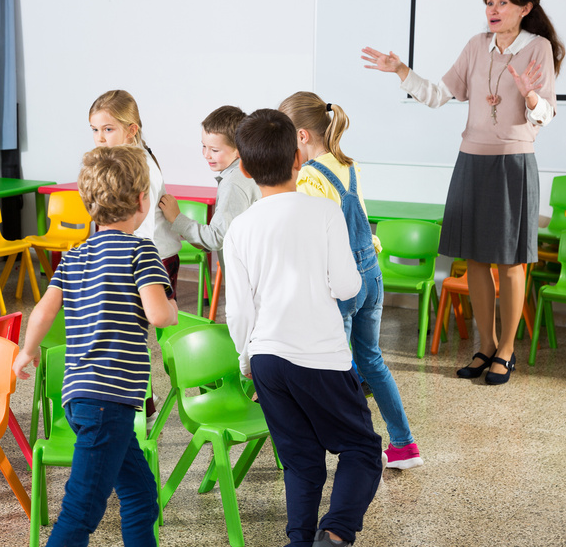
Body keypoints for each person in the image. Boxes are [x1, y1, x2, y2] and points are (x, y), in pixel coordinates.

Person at [362, 0, 563, 385]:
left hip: (513, 161)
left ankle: (506, 350)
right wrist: (401, 70)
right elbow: (439, 94)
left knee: (510, 263)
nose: (492, 9)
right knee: (474, 258)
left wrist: (529, 96)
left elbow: (545, 113)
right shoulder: (476, 46)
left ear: (525, 9)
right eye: (489, 2)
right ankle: (485, 344)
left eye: (502, 2)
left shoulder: (538, 48)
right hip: (470, 159)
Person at [224, 109, 382, 547]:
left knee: (300, 460)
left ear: (244, 167)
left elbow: (237, 312)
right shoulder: (324, 213)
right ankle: (334, 532)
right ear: (299, 158)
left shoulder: (239, 228)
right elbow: (348, 286)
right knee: (362, 449)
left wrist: (247, 359)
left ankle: (299, 541)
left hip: (268, 359)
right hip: (322, 357)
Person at [13, 145, 178, 547]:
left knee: (139, 494)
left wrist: (26, 351)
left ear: (89, 204)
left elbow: (43, 313)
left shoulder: (74, 256)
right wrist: (171, 304)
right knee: (81, 513)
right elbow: (159, 316)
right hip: (110, 401)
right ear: (143, 201)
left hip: (80, 398)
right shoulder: (141, 251)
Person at [280, 91, 423, 470]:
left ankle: (358, 445)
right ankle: (405, 446)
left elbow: (319, 233)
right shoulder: (349, 164)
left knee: (338, 367)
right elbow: (360, 218)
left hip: (342, 280)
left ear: (302, 136)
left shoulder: (310, 175)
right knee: (371, 362)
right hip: (371, 273)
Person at [89, 90, 181, 297]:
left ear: (131, 130)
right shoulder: (118, 162)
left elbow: (144, 230)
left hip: (154, 257)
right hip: (132, 255)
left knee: (158, 319)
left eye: (108, 129)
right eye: (94, 130)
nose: (100, 138)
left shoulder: (142, 169)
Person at [158, 105, 260, 273]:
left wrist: (176, 218)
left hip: (247, 274)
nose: (206, 155)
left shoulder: (233, 182)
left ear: (239, 149)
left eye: (214, 150)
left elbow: (216, 238)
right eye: (204, 146)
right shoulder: (244, 173)